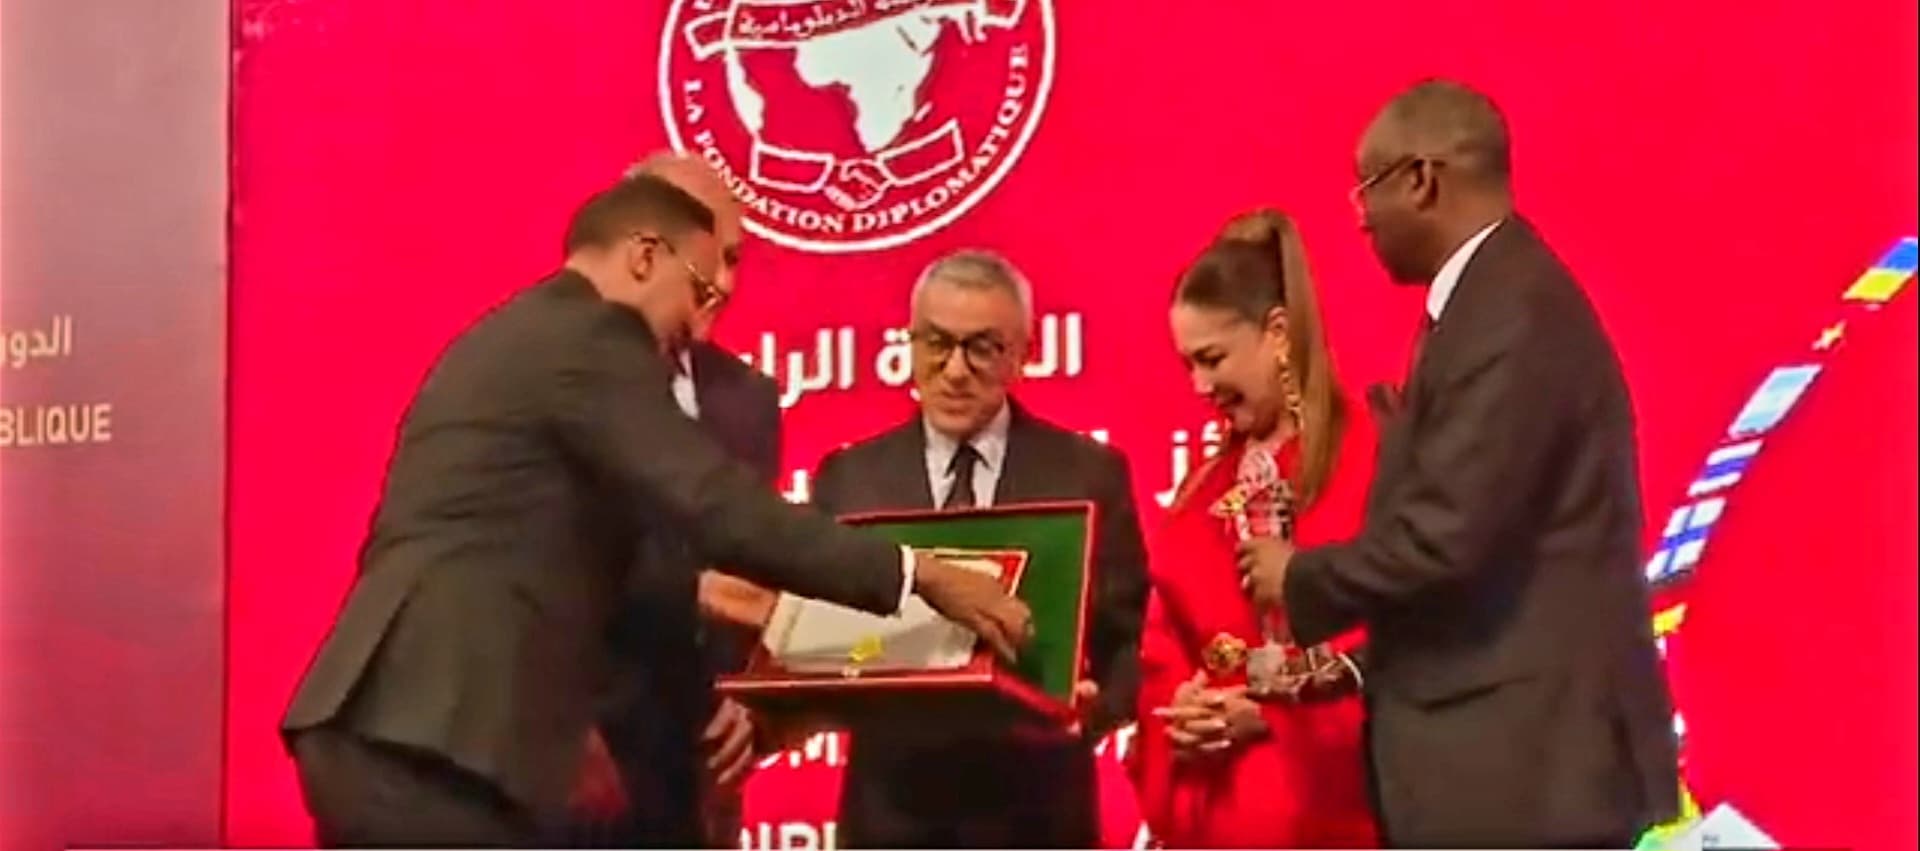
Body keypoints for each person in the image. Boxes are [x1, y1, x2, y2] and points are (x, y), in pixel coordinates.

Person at [280, 173, 1031, 848]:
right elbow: (713, 503)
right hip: (435, 740)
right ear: (644, 257)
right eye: (698, 289)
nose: (702, 320)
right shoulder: (588, 336)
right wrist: (920, 575)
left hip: (414, 730)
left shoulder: (523, 335)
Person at [1238, 79, 1679, 847]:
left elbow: (1447, 536)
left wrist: (1297, 576)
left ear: (1421, 179)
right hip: (1511, 764)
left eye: (1366, 189)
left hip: (1525, 773)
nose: (1360, 217)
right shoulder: (1493, 300)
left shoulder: (1511, 313)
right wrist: (1343, 669)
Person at [810, 250, 1150, 848]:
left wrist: (1099, 707)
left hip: (1041, 815)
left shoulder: (1088, 475)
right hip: (890, 815)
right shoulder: (849, 479)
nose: (955, 370)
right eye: (937, 343)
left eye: (983, 348)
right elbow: (817, 636)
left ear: (1024, 353)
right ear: (909, 344)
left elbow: (1131, 638)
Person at [1129, 209, 1379, 848]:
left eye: (1212, 359)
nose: (1199, 385)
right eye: (1187, 364)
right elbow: (1160, 648)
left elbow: (1409, 639)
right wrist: (1183, 709)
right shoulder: (1199, 492)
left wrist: (1273, 712)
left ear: (1277, 334)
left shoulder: (1376, 458)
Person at [566, 153, 784, 848]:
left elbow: (757, 571)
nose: (724, 283)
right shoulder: (552, 375)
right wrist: (560, 723)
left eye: (736, 258)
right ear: (645, 251)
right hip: (571, 763)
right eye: (707, 257)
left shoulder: (749, 401)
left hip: (699, 777)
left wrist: (754, 701)